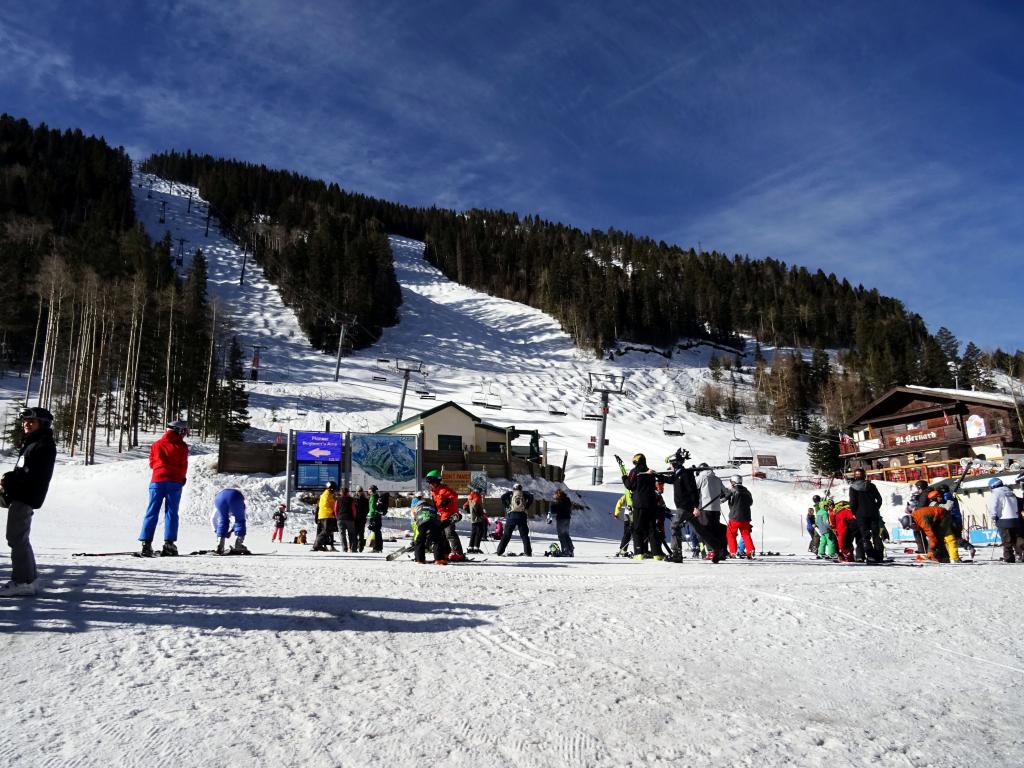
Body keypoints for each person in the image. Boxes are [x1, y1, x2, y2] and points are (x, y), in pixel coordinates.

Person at [0, 407, 56, 597]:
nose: (26, 424)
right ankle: (29, 579)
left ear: (43, 424)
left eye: (32, 421)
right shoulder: (33, 442)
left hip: (26, 496)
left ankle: (23, 581)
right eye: (25, 421)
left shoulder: (43, 444)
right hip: (21, 495)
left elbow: (32, 474)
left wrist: (10, 480)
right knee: (19, 537)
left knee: (16, 538)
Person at [138, 420, 189, 557]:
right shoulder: (182, 446)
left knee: (152, 511)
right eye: (183, 430)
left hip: (157, 481)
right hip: (174, 482)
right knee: (171, 513)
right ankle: (169, 544)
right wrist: (182, 478)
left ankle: (146, 544)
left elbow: (151, 463)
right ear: (177, 430)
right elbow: (183, 465)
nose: (184, 433)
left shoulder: (156, 444)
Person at [658, 449, 700, 563]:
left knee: (674, 525)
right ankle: (717, 548)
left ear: (675, 463)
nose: (670, 466)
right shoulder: (678, 473)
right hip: (684, 506)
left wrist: (696, 506)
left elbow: (693, 491)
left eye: (671, 464)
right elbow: (670, 480)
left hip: (685, 506)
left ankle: (677, 553)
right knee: (700, 529)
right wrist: (657, 476)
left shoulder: (684, 474)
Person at [624, 453, 662, 560]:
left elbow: (629, 486)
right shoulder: (650, 471)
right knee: (652, 528)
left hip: (639, 504)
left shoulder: (634, 471)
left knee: (637, 529)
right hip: (651, 503)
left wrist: (624, 478)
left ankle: (639, 553)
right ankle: (657, 554)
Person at [426, 469, 465, 562]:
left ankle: (459, 554)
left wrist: (447, 501)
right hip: (442, 515)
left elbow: (454, 495)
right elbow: (436, 504)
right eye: (429, 483)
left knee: (450, 533)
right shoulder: (434, 492)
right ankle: (445, 552)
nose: (430, 484)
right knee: (442, 534)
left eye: (431, 482)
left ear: (436, 481)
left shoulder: (444, 489)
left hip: (450, 515)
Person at [848, 468, 884, 562]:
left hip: (861, 515)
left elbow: (852, 503)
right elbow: (879, 499)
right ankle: (879, 556)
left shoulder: (853, 488)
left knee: (865, 535)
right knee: (876, 535)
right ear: (864, 475)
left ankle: (870, 556)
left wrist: (854, 512)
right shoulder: (871, 486)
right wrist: (875, 508)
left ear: (855, 477)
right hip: (873, 513)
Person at [693, 463, 727, 563]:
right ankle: (720, 551)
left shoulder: (701, 477)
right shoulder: (717, 479)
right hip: (716, 509)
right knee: (715, 530)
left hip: (704, 508)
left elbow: (693, 490)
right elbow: (725, 492)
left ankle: (712, 551)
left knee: (705, 530)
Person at [988, 476, 1023, 563]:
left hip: (1003, 519)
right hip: (1015, 519)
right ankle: (1020, 554)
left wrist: (993, 516)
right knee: (1017, 538)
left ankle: (1009, 558)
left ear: (992, 486)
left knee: (1006, 540)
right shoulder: (1010, 491)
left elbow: (994, 505)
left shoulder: (996, 493)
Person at [722, 475, 755, 559]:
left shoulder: (732, 490)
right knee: (745, 534)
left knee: (731, 534)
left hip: (735, 517)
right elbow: (751, 502)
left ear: (733, 482)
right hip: (746, 517)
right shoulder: (747, 491)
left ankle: (733, 552)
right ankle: (750, 550)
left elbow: (723, 499)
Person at [496, 483, 533, 556]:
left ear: (513, 488)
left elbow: (502, 497)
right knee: (524, 535)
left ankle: (499, 551)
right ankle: (528, 552)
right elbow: (531, 497)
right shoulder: (524, 494)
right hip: (522, 516)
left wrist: (507, 507)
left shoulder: (511, 493)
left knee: (506, 535)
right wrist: (527, 507)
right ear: (521, 489)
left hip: (511, 517)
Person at [939, 484, 975, 559]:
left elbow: (947, 507)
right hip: (957, 519)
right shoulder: (951, 496)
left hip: (953, 520)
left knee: (952, 538)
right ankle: (964, 549)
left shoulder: (947, 496)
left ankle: (967, 547)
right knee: (955, 538)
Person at [411, 492, 447, 565]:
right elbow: (437, 516)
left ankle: (420, 559)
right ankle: (439, 559)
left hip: (422, 522)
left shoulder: (416, 506)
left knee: (420, 540)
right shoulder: (430, 506)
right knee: (437, 539)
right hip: (433, 521)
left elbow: (414, 517)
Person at [212, 488, 249, 554]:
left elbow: (213, 519)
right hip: (236, 496)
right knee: (240, 520)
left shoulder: (218, 508)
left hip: (219, 498)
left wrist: (218, 531)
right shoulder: (241, 506)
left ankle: (220, 545)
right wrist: (231, 531)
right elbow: (239, 521)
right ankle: (238, 545)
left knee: (223, 520)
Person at [312, 481, 338, 552]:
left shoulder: (328, 495)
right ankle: (317, 545)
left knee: (326, 531)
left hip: (324, 515)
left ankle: (317, 545)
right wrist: (332, 512)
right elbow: (325, 506)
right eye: (334, 489)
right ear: (331, 489)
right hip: (327, 516)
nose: (334, 491)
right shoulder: (326, 495)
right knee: (326, 531)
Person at [549, 488, 573, 557]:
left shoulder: (560, 501)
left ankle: (565, 551)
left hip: (561, 519)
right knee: (566, 534)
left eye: (555, 495)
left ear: (558, 494)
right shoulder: (567, 500)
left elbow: (555, 510)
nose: (555, 496)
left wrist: (552, 505)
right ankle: (570, 550)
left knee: (561, 535)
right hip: (567, 519)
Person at [464, 488, 487, 554]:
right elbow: (475, 506)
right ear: (478, 492)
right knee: (480, 531)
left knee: (474, 532)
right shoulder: (477, 496)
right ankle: (476, 547)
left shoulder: (471, 496)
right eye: (481, 492)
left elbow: (465, 506)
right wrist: (480, 513)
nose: (481, 493)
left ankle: (470, 547)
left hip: (473, 517)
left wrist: (469, 511)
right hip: (478, 517)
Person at [336, 486, 357, 552]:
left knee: (342, 534)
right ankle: (352, 548)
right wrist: (354, 517)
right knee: (351, 534)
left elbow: (335, 509)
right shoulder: (351, 499)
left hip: (340, 519)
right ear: (347, 492)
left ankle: (344, 549)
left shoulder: (338, 499)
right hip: (350, 519)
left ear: (341, 492)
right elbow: (353, 509)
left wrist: (337, 517)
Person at [367, 485, 386, 553]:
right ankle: (379, 547)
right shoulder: (378, 497)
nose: (368, 491)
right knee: (378, 532)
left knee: (375, 532)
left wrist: (371, 517)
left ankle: (376, 548)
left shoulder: (372, 497)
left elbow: (372, 508)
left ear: (371, 490)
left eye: (369, 489)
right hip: (378, 516)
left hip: (374, 516)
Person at [353, 486, 370, 552]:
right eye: (358, 491)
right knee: (355, 533)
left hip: (362, 518)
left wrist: (364, 514)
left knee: (361, 534)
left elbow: (367, 509)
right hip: (355, 519)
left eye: (360, 491)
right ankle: (355, 546)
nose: (359, 492)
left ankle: (360, 547)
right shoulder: (353, 499)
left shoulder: (365, 500)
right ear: (356, 492)